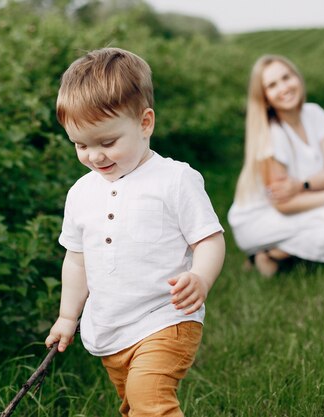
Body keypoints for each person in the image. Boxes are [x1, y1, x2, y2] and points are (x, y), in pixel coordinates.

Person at [44, 47, 225, 416]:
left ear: (145, 123)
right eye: (81, 145)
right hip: (110, 328)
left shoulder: (174, 180)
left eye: (107, 142)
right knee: (133, 405)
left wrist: (201, 278)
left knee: (149, 401)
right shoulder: (80, 194)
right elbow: (77, 261)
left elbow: (208, 238)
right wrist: (67, 316)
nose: (94, 156)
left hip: (166, 318)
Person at [228, 54, 324, 277]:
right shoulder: (271, 135)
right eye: (272, 85)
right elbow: (283, 204)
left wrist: (302, 185)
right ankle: (268, 254)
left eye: (286, 77)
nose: (284, 87)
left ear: (297, 78)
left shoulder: (313, 113)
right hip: (261, 218)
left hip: (294, 200)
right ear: (265, 98)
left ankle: (277, 253)